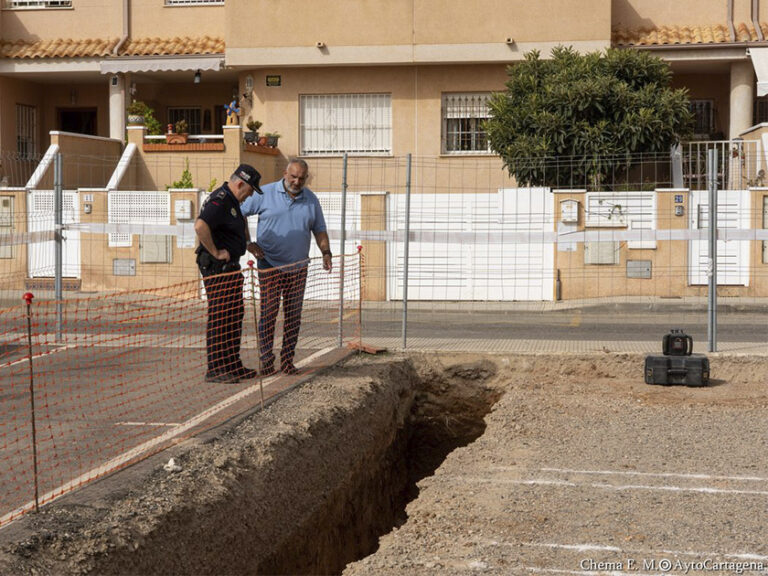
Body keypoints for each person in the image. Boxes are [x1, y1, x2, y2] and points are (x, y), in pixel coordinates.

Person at [241, 158, 332, 375]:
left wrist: (326, 252)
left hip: (298, 267)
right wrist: (248, 243)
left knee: (293, 316)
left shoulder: (311, 200)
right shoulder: (264, 194)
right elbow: (239, 213)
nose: (297, 181)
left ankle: (287, 361)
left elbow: (319, 229)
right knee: (269, 312)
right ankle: (266, 360)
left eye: (301, 178)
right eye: (293, 176)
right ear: (285, 173)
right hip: (270, 264)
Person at [195, 163, 263, 383]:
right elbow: (200, 226)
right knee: (220, 316)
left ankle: (232, 364)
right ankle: (215, 368)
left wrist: (247, 244)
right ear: (240, 183)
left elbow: (237, 224)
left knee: (234, 314)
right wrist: (215, 252)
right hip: (217, 268)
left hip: (231, 267)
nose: (249, 195)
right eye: (250, 190)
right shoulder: (221, 199)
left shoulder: (232, 201)